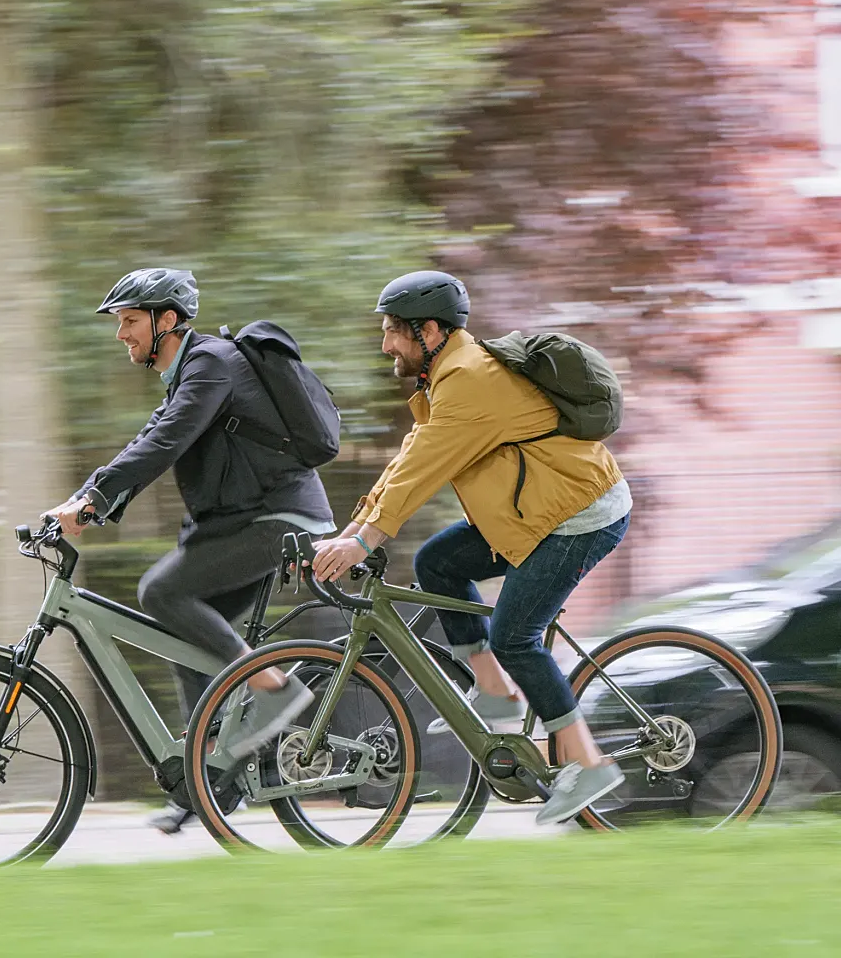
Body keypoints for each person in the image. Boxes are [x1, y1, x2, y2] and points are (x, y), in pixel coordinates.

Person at [311, 270, 633, 824]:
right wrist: (353, 530)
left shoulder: (469, 380)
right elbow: (406, 462)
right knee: (437, 562)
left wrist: (364, 540)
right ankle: (496, 696)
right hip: (535, 513)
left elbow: (420, 473)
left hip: (579, 516)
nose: (385, 343)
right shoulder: (448, 378)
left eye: (392, 331)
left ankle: (588, 763)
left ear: (429, 331)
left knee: (515, 636)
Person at [43, 266, 332, 833]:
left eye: (129, 321)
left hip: (278, 519)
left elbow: (167, 439)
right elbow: (148, 439)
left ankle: (275, 690)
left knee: (160, 589)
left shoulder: (211, 364)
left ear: (166, 321)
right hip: (249, 522)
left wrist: (94, 500)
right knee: (187, 641)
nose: (120, 334)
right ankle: (210, 784)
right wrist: (83, 500)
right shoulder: (190, 373)